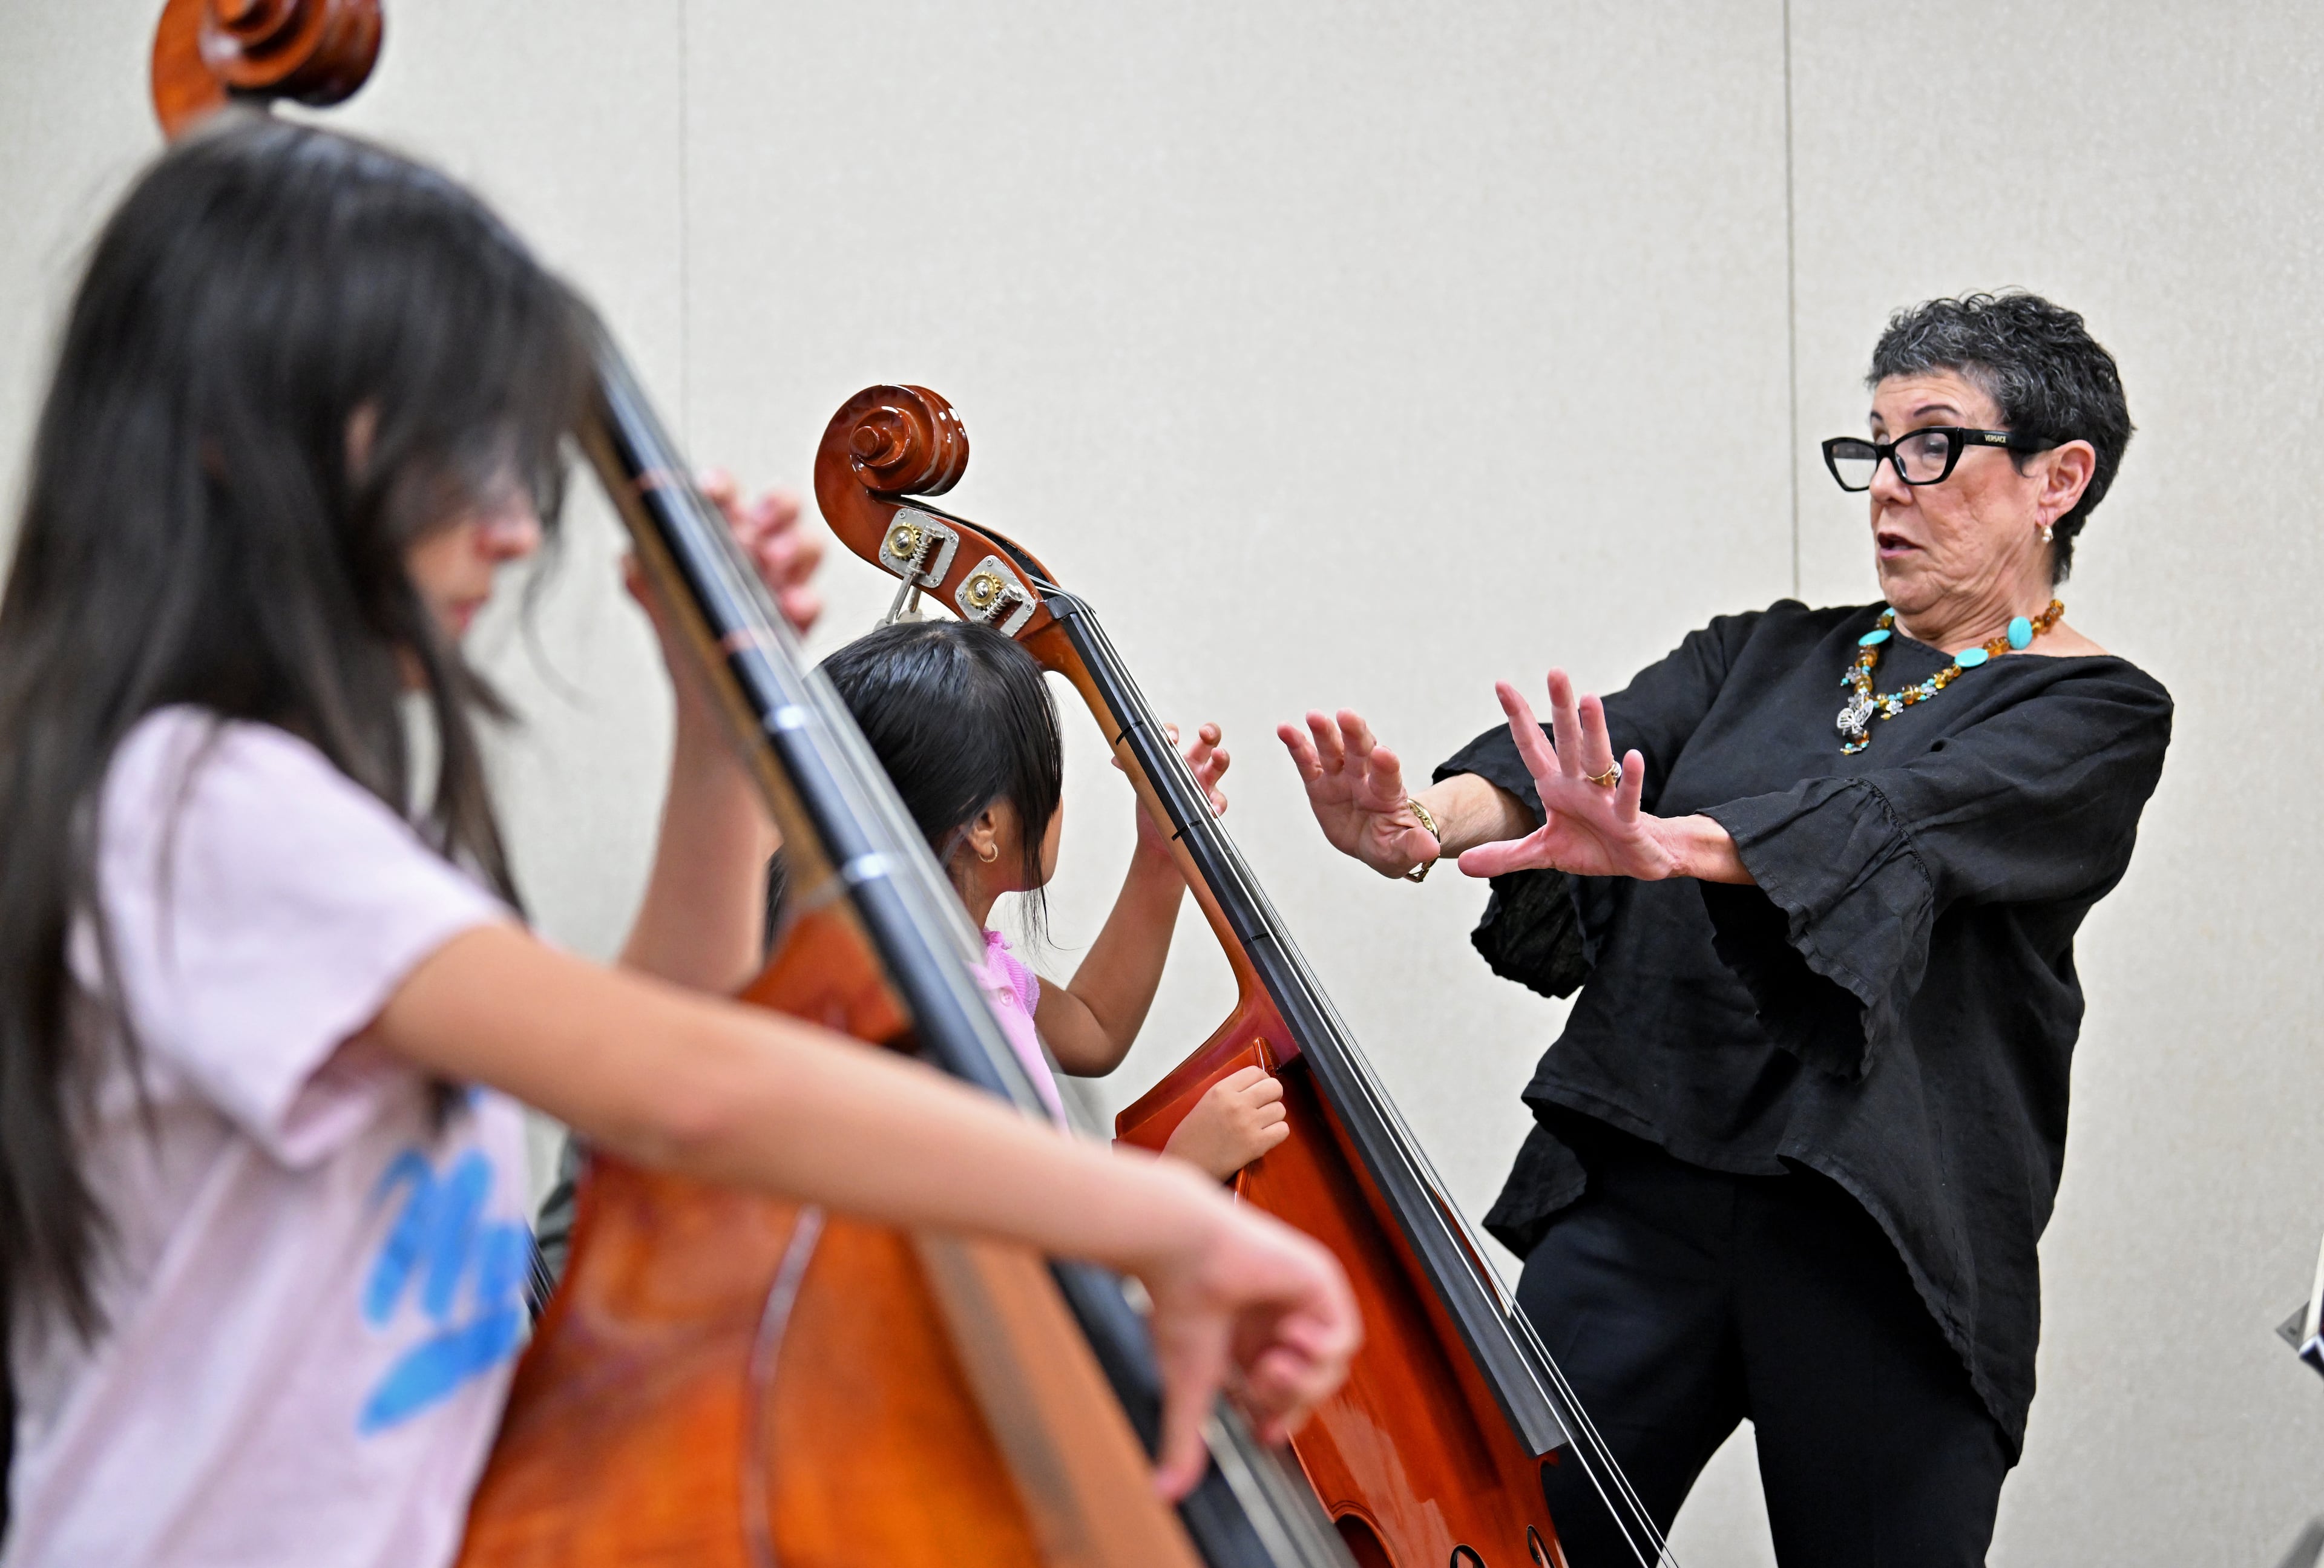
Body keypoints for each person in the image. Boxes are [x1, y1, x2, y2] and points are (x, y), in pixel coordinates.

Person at [0, 115, 1356, 1567]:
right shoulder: (205, 811)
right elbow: (693, 1092)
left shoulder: (287, 807)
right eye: (459, 450)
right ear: (239, 441)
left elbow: (663, 1044)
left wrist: (714, 744)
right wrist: (1158, 1219)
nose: (516, 527)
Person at [1279, 292, 2170, 1566]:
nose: (1887, 487)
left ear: (2057, 479)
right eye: (1873, 444)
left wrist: (1672, 843)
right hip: (1650, 1176)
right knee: (1508, 1536)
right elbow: (1585, 756)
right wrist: (1420, 821)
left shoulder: (2094, 713)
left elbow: (1898, 817)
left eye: (1933, 444)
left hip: (1881, 1230)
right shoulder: (1765, 652)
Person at [819, 619, 1290, 1179]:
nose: (1058, 800)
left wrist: (1160, 857)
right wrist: (1182, 1174)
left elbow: (1094, 1028)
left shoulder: (968, 965)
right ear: (986, 823)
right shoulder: (940, 1027)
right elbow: (1030, 1252)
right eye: (1048, 778)